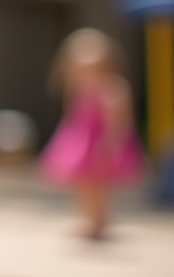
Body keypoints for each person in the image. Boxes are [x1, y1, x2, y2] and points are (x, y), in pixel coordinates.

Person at [39, 27, 145, 240]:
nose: (86, 75)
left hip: (100, 144)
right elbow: (72, 118)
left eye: (93, 69)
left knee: (98, 185)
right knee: (82, 184)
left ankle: (100, 221)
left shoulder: (113, 90)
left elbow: (119, 123)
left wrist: (112, 145)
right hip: (80, 144)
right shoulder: (76, 88)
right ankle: (89, 220)